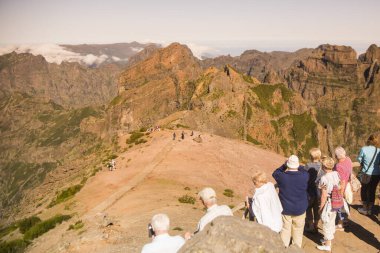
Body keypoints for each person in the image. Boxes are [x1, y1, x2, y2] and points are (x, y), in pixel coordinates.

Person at [272, 155, 309, 248]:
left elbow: (275, 173)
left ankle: (284, 247)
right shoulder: (304, 176)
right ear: (297, 165)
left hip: (285, 208)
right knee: (298, 230)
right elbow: (304, 170)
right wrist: (298, 165)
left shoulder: (282, 176)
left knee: (285, 229)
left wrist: (284, 165)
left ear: (288, 165)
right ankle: (296, 248)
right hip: (300, 208)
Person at [317, 157, 341, 251]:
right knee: (331, 221)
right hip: (335, 201)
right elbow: (339, 186)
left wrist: (321, 208)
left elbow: (323, 195)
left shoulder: (324, 178)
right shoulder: (336, 174)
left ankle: (327, 245)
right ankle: (327, 239)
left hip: (328, 202)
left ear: (323, 166)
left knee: (326, 223)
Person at [357, 133, 380, 215]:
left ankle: (364, 208)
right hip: (377, 174)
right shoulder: (379, 151)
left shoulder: (364, 149)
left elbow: (359, 159)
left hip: (366, 173)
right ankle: (370, 209)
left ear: (369, 140)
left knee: (364, 189)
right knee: (372, 190)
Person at [304, 148, 324, 233]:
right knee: (317, 208)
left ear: (311, 156)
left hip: (309, 190)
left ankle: (310, 225)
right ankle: (316, 224)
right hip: (319, 191)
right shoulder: (322, 166)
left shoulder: (308, 165)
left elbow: (304, 177)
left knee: (308, 208)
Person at [334, 147, 352, 230]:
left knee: (341, 205)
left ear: (337, 156)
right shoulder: (348, 159)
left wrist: (341, 193)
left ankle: (340, 224)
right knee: (347, 204)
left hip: (343, 186)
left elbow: (342, 181)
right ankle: (346, 221)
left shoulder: (339, 166)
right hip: (348, 185)